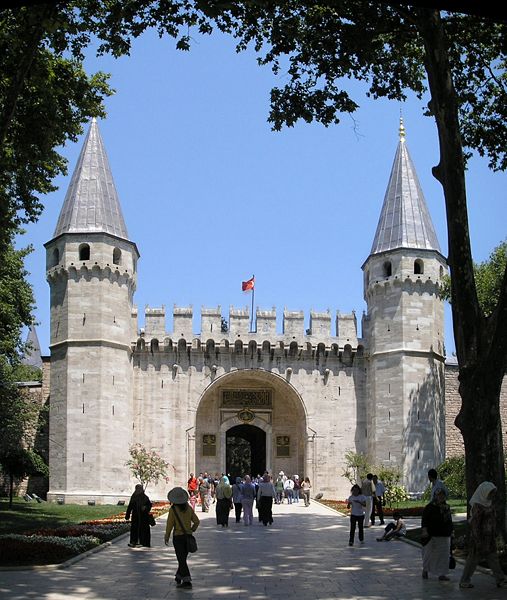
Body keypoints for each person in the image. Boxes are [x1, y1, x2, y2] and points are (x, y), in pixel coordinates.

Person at [459, 481, 507, 589]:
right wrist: (478, 541)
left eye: (493, 493)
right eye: (491, 493)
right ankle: (464, 581)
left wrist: (493, 533)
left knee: (493, 559)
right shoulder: (477, 506)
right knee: (472, 561)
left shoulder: (488, 503)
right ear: (484, 492)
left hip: (489, 539)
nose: (492, 496)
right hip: (478, 539)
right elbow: (475, 526)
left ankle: (500, 580)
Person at [165, 486, 200, 589]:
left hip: (178, 537)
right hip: (188, 536)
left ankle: (187, 581)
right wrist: (192, 529)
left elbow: (169, 525)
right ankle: (178, 576)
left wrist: (166, 536)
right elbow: (197, 521)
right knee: (182, 558)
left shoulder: (173, 510)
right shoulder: (188, 508)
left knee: (181, 559)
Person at [421, 488, 453, 581]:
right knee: (429, 554)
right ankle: (425, 569)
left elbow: (449, 520)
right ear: (435, 496)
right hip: (432, 534)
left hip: (444, 534)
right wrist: (425, 530)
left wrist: (452, 531)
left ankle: (442, 574)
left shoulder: (446, 507)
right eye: (439, 495)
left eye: (443, 495)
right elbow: (425, 520)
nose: (441, 497)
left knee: (444, 555)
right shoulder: (429, 507)